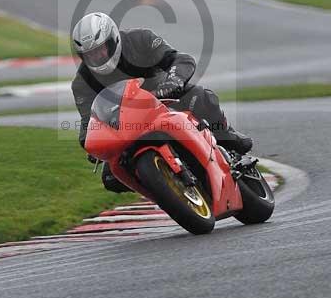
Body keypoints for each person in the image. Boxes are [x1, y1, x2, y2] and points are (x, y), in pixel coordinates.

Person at [70, 12, 253, 192]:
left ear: (113, 39)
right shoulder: (82, 83)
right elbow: (88, 123)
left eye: (101, 48)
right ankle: (162, 189)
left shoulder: (140, 39)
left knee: (201, 98)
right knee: (111, 178)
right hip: (128, 127)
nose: (98, 56)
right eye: (91, 54)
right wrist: (93, 145)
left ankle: (227, 138)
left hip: (166, 100)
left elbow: (180, 59)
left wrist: (173, 82)